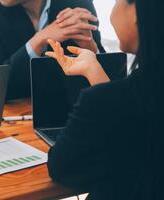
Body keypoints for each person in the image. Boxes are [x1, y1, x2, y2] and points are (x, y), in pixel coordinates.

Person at [45, 0, 164, 199]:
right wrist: (93, 69)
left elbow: (61, 168)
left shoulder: (105, 101)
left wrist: (98, 95)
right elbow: (131, 126)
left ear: (135, 12)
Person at [0, 0, 105, 100]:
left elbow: (109, 85)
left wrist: (90, 47)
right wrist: (38, 40)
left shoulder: (76, 3)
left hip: (73, 109)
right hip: (19, 118)